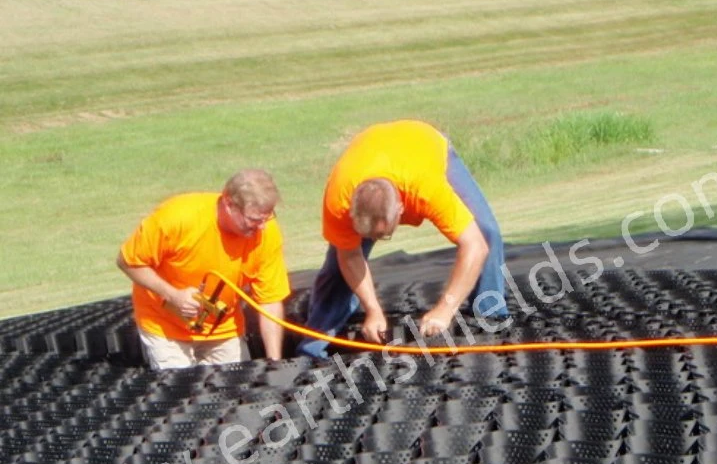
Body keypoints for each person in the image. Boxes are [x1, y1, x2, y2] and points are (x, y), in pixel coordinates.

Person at [296, 119, 507, 359]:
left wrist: (445, 309)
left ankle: (491, 317)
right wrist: (373, 310)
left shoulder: (425, 189)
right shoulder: (339, 200)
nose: (377, 239)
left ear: (400, 209)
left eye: (383, 235)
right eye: (369, 235)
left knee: (487, 232)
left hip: (425, 144)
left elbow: (475, 246)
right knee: (336, 267)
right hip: (370, 148)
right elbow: (350, 256)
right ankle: (314, 345)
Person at [117, 169, 290, 370]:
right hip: (165, 327)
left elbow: (270, 302)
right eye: (253, 219)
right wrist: (173, 295)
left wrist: (275, 363)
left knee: (234, 392)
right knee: (183, 395)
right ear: (228, 204)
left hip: (224, 330)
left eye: (266, 218)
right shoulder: (177, 218)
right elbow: (127, 261)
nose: (261, 227)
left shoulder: (266, 232)